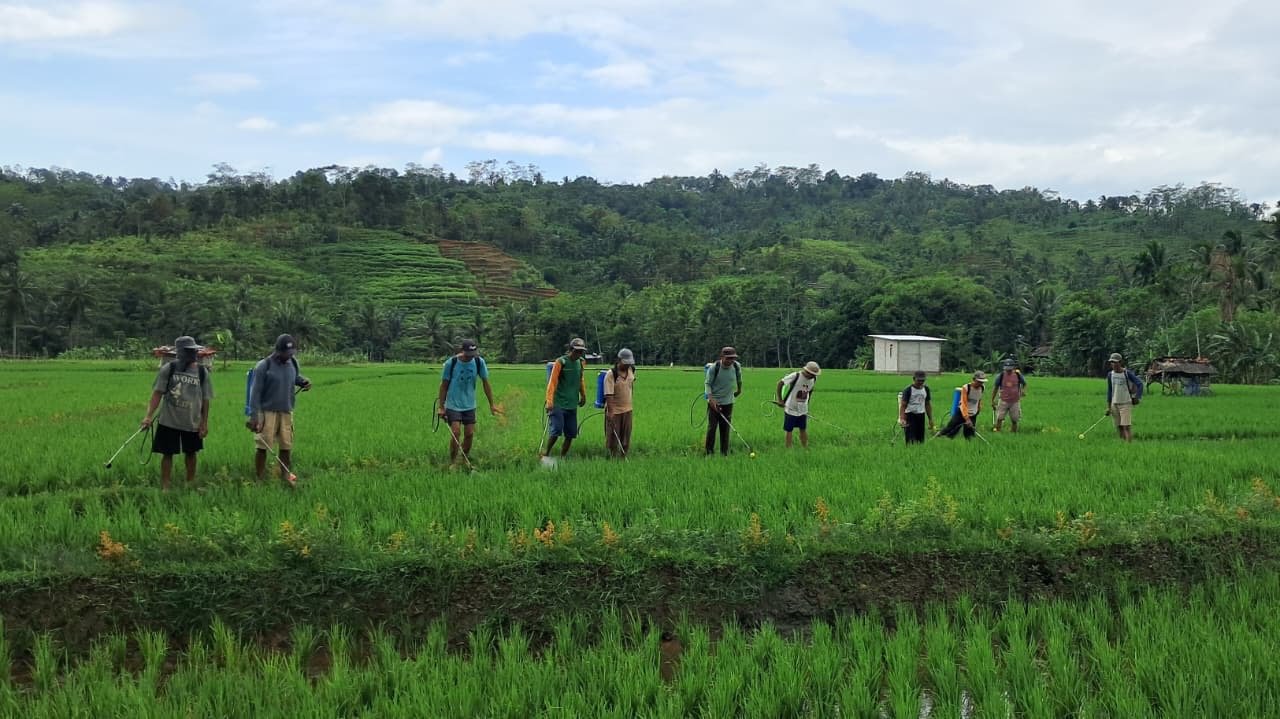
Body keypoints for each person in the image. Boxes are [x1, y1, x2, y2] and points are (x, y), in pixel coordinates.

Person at [141, 335, 213, 491]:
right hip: (169, 420)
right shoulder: (169, 369)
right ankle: (165, 486)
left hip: (192, 421)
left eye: (194, 351)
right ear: (180, 353)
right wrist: (148, 416)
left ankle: (190, 483)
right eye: (189, 351)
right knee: (167, 453)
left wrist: (204, 422)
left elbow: (206, 399)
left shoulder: (202, 372)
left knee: (191, 453)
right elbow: (157, 393)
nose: (193, 354)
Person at [249, 334, 311, 485]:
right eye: (286, 354)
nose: (288, 357)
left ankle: (285, 475)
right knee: (263, 446)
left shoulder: (293, 363)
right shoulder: (264, 365)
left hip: (286, 410)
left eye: (291, 354)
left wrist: (303, 382)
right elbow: (255, 392)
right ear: (278, 351)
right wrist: (254, 416)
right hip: (267, 411)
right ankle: (260, 477)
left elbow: (294, 377)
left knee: (286, 444)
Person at [436, 339, 498, 466]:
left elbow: (486, 383)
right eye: (468, 355)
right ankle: (453, 461)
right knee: (456, 432)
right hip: (453, 403)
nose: (471, 357)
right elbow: (443, 386)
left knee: (469, 434)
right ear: (462, 351)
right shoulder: (451, 363)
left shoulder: (478, 362)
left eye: (473, 354)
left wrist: (492, 404)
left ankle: (463, 459)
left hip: (469, 404)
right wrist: (441, 407)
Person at [544, 337, 588, 459]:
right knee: (556, 430)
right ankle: (546, 454)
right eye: (577, 351)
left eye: (581, 351)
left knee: (571, 433)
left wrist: (583, 395)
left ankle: (563, 457)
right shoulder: (561, 362)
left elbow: (580, 380)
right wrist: (549, 401)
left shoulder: (581, 362)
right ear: (571, 349)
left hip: (572, 403)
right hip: (558, 402)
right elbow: (552, 383)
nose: (579, 353)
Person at [704, 346, 742, 455]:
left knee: (725, 429)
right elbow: (707, 384)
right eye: (728, 358)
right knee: (712, 428)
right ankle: (709, 453)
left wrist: (739, 390)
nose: (730, 361)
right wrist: (711, 400)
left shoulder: (736, 366)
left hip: (728, 402)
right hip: (714, 402)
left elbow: (739, 378)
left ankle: (724, 453)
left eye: (733, 358)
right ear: (722, 357)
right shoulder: (714, 368)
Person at [774, 361, 820, 448]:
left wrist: (807, 404)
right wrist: (780, 400)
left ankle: (805, 447)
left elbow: (810, 391)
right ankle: (789, 450)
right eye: (812, 374)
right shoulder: (796, 376)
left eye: (815, 374)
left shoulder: (814, 379)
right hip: (791, 408)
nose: (813, 376)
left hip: (803, 409)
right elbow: (780, 383)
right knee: (789, 430)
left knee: (803, 429)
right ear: (807, 372)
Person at [603, 348, 637, 458]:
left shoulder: (631, 370)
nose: (627, 365)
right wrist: (610, 413)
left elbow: (631, 386)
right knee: (613, 439)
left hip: (627, 410)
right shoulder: (611, 374)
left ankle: (623, 458)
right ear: (618, 360)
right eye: (625, 363)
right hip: (615, 411)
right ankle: (613, 459)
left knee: (626, 439)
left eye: (629, 363)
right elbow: (609, 394)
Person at [1105, 352, 1144, 442]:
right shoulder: (1110, 375)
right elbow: (1110, 391)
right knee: (1119, 427)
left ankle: (1129, 445)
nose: (1113, 364)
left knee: (1126, 426)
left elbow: (1140, 384)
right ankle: (1123, 445)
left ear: (1120, 362)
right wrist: (1108, 407)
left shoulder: (1127, 373)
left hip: (1125, 403)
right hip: (1114, 403)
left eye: (1115, 362)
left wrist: (1137, 397)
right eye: (1112, 362)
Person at [938, 371, 986, 440]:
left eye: (982, 382)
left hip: (973, 414)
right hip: (961, 413)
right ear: (974, 379)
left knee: (969, 434)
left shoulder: (982, 387)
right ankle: (937, 437)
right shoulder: (966, 388)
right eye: (979, 381)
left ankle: (969, 446)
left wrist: (978, 410)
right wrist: (967, 418)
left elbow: (979, 400)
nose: (980, 383)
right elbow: (964, 404)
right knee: (949, 428)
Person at [898, 370, 935, 444]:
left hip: (921, 415)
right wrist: (902, 418)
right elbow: (903, 405)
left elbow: (927, 404)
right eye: (919, 380)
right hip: (910, 415)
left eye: (922, 380)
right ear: (914, 379)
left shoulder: (926, 389)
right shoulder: (908, 390)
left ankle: (919, 452)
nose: (921, 382)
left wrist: (930, 419)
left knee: (920, 439)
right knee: (911, 439)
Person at [991, 359, 1026, 433]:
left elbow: (1024, 383)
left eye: (1010, 369)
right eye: (1007, 369)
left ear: (1013, 368)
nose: (1008, 371)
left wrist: (1023, 390)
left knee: (1015, 419)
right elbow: (995, 388)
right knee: (1000, 418)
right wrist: (992, 400)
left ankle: (1013, 433)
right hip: (1003, 400)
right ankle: (998, 431)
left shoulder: (1018, 375)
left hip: (1015, 401)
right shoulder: (1001, 376)